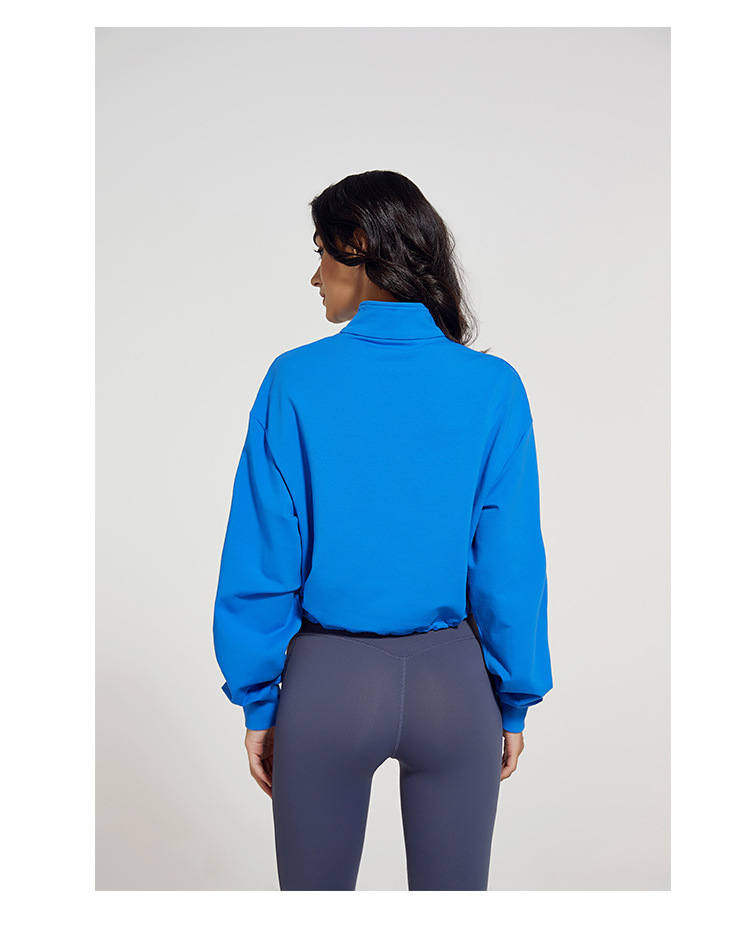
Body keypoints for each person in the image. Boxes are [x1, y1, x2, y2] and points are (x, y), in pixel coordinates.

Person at [212, 170, 553, 891]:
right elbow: (510, 563)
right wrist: (513, 699)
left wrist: (259, 700)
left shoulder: (294, 380)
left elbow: (264, 556)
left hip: (327, 687)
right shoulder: (493, 387)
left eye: (321, 252)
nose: (315, 276)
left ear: (358, 244)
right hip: (455, 688)